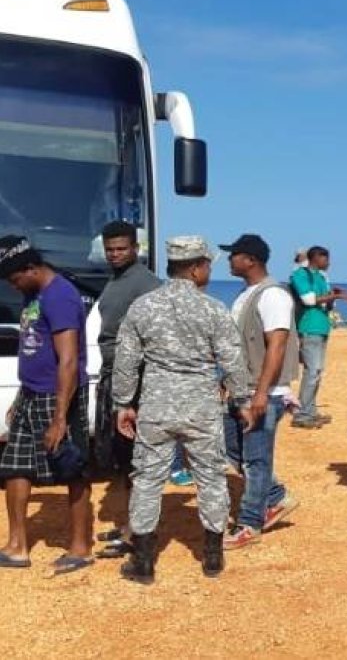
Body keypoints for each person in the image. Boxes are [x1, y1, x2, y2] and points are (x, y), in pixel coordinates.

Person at [112, 236, 253, 582]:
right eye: (206, 264)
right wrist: (243, 400)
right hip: (201, 409)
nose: (207, 270)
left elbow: (126, 360)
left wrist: (123, 404)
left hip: (156, 407)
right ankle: (213, 557)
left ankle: (143, 562)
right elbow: (233, 361)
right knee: (211, 479)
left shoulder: (142, 306)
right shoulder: (212, 309)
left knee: (147, 481)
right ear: (194, 268)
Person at [0, 236, 93, 574]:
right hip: (30, 395)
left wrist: (59, 418)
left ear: (31, 267)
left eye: (14, 279)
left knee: (73, 469)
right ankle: (17, 547)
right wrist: (20, 395)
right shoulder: (32, 293)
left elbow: (67, 361)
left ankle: (81, 547)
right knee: (14, 467)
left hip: (59, 396)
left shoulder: (61, 296)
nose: (13, 286)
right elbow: (32, 347)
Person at [219, 234, 301, 549]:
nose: (229, 261)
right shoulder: (246, 294)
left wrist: (262, 394)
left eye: (234, 255)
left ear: (250, 260)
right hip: (242, 390)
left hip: (263, 391)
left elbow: (276, 345)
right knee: (228, 447)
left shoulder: (273, 295)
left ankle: (250, 522)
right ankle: (277, 497)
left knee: (256, 459)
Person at [92, 221, 160, 559]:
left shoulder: (145, 283)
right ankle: (128, 525)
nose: (115, 254)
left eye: (122, 248)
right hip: (113, 376)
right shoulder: (117, 279)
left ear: (136, 248)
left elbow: (153, 337)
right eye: (110, 249)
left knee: (136, 458)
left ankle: (137, 532)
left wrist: (132, 391)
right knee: (121, 458)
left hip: (133, 381)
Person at [290, 246, 347, 429]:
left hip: (321, 327)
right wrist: (334, 295)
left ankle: (310, 411)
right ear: (316, 258)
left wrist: (332, 297)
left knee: (316, 372)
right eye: (325, 259)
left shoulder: (320, 277)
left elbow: (325, 304)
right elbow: (309, 300)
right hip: (308, 327)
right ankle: (302, 414)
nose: (328, 263)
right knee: (312, 371)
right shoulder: (300, 275)